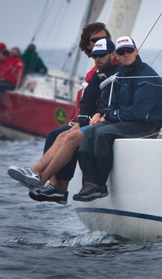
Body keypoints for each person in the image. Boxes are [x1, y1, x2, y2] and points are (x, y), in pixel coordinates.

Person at [7, 38, 120, 204]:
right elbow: (87, 101)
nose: (98, 60)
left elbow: (115, 103)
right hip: (94, 120)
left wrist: (100, 115)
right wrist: (83, 119)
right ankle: (44, 179)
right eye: (95, 57)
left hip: (107, 121)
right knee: (57, 135)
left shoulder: (120, 74)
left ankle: (40, 179)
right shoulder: (98, 73)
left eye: (102, 56)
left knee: (68, 138)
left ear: (112, 54)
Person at [73, 36, 162, 202]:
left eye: (129, 50)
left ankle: (101, 186)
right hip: (129, 121)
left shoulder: (148, 77)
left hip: (147, 125)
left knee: (103, 134)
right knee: (90, 131)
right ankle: (89, 183)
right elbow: (115, 104)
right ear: (116, 55)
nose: (126, 54)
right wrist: (102, 113)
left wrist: (109, 115)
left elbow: (137, 114)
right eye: (121, 52)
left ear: (136, 51)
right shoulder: (122, 75)